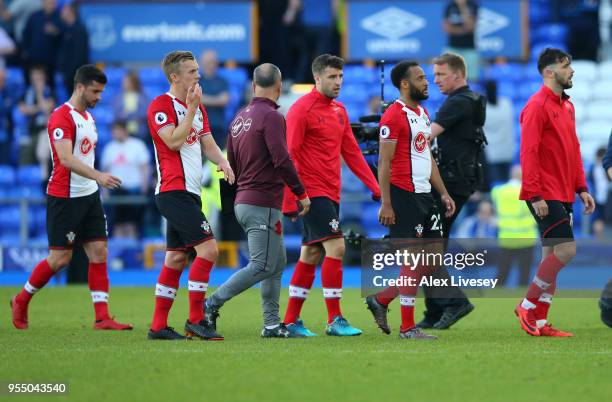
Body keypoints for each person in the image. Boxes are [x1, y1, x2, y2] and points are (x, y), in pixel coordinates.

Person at [10, 65, 132, 331]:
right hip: (64, 197)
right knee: (59, 259)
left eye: (101, 91)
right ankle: (21, 299)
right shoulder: (61, 117)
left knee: (99, 252)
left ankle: (102, 318)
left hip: (89, 196)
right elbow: (65, 159)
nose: (99, 96)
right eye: (95, 91)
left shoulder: (89, 118)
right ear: (80, 87)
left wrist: (94, 181)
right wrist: (98, 175)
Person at [204, 63, 311, 338]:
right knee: (262, 264)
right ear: (279, 86)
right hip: (262, 201)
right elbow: (282, 159)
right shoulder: (273, 117)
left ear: (253, 86)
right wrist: (300, 193)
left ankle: (272, 325)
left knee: (276, 263)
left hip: (245, 200)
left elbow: (232, 166)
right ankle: (211, 303)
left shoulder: (239, 118)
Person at [281, 54, 381, 337]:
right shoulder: (301, 110)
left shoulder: (339, 111)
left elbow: (352, 153)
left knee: (311, 253)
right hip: (311, 193)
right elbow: (290, 156)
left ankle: (290, 321)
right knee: (336, 248)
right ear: (316, 78)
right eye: (331, 77)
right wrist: (292, 198)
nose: (338, 82)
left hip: (331, 192)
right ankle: (335, 319)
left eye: (340, 77)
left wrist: (374, 187)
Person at [363, 60, 456, 340]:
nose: (427, 82)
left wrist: (443, 192)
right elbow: (384, 163)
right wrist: (387, 203)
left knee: (432, 259)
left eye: (426, 77)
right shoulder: (393, 116)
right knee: (414, 260)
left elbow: (426, 156)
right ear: (405, 84)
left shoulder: (423, 113)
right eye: (420, 78)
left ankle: (382, 299)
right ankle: (407, 327)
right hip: (404, 194)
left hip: (426, 194)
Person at [146, 50, 235, 341]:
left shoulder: (197, 108)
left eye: (198, 70)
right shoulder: (161, 105)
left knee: (174, 259)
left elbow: (207, 143)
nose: (198, 76)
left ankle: (158, 327)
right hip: (173, 191)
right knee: (208, 250)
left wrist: (222, 162)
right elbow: (172, 141)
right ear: (175, 76)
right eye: (192, 71)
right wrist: (193, 109)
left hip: (191, 193)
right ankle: (196, 320)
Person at [515, 47, 595, 337]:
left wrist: (581, 187)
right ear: (550, 72)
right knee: (567, 250)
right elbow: (528, 152)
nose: (571, 70)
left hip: (563, 191)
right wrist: (534, 194)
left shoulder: (567, 106)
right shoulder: (536, 106)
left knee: (550, 256)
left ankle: (538, 321)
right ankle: (526, 306)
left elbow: (573, 150)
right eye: (566, 65)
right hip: (544, 192)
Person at [420, 52, 483, 329]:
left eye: (441, 74)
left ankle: (454, 302)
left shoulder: (457, 102)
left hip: (450, 183)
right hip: (460, 179)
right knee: (431, 245)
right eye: (433, 75)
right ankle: (434, 310)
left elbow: (426, 137)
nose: (435, 80)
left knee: (426, 246)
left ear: (458, 74)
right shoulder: (470, 100)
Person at [100, 120, 150, 239]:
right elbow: (104, 170)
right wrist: (104, 190)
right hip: (115, 191)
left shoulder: (138, 145)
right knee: (117, 223)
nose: (116, 133)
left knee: (132, 223)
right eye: (114, 131)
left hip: (134, 190)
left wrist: (145, 186)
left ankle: (131, 253)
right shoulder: (109, 148)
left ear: (124, 130)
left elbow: (145, 167)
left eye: (118, 130)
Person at [491, 166, 537, 287]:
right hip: (526, 237)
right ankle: (523, 303)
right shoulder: (531, 192)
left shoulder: (498, 191)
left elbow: (493, 210)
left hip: (506, 237)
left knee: (502, 273)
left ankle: (494, 299)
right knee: (524, 274)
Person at [21, 0, 62, 88]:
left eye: (52, 3)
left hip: (51, 60)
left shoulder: (59, 17)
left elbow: (65, 36)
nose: (50, 5)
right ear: (43, 3)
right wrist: (26, 51)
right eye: (48, 3)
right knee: (33, 82)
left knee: (50, 84)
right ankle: (32, 98)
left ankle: (51, 98)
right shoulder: (35, 16)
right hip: (34, 58)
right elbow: (26, 33)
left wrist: (56, 32)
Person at [483, 79, 514, 186]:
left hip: (494, 154)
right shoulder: (506, 104)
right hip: (502, 153)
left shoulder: (483, 107)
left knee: (498, 189)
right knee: (504, 188)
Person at [56, 1, 88, 96]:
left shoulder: (79, 30)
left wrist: (69, 73)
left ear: (70, 11)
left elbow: (79, 55)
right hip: (69, 76)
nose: (61, 12)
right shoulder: (66, 29)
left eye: (64, 9)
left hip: (75, 77)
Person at [443, 0, 480, 82]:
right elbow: (446, 28)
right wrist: (462, 30)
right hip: (452, 47)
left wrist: (462, 6)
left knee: (471, 79)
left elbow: (470, 26)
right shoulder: (450, 6)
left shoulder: (473, 5)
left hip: (469, 48)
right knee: (449, 77)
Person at [199, 49, 229, 147]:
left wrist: (203, 99)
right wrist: (216, 100)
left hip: (218, 127)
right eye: (207, 62)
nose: (210, 65)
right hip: (199, 127)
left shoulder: (222, 81)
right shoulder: (196, 81)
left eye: (212, 62)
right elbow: (195, 99)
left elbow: (225, 100)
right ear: (201, 63)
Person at [112, 71, 149, 141]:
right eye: (123, 82)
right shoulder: (118, 97)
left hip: (140, 132)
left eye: (126, 82)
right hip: (123, 132)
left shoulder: (143, 96)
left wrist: (127, 115)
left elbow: (145, 113)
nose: (124, 84)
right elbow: (117, 114)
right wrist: (132, 115)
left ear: (133, 83)